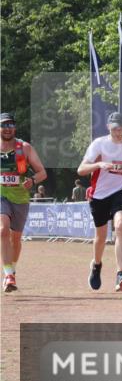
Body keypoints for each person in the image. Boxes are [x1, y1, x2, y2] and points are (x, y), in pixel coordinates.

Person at [77, 111, 122, 292]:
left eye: (120, 128)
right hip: (99, 195)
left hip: (120, 191)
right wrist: (98, 165)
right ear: (108, 127)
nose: (117, 131)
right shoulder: (99, 144)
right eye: (114, 128)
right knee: (100, 237)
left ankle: (120, 273)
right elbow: (81, 169)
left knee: (121, 225)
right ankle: (97, 265)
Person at [1, 112, 48, 293]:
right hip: (1, 195)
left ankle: (12, 269)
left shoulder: (25, 147)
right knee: (3, 230)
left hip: (20, 197)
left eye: (10, 125)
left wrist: (33, 181)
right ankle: (8, 275)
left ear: (14, 128)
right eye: (4, 125)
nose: (7, 129)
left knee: (16, 239)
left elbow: (42, 172)